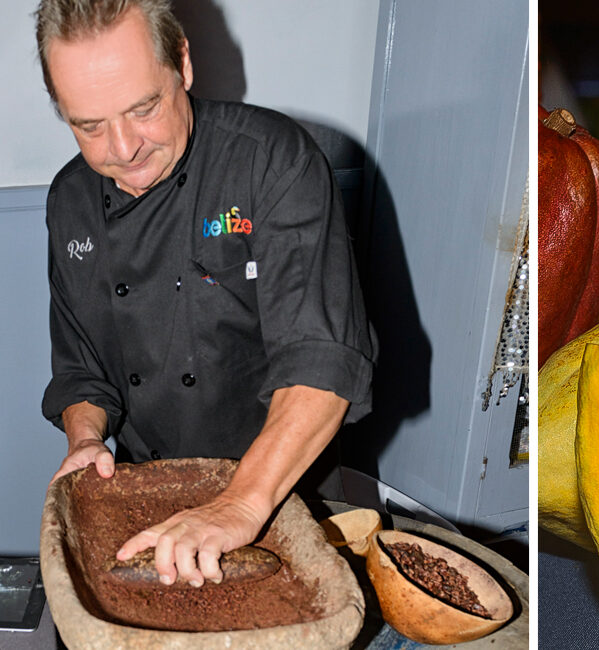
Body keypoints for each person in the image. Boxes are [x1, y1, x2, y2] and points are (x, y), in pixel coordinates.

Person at [36, 0, 376, 588]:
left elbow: (321, 364)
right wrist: (87, 439)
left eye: (144, 108)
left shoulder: (273, 161)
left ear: (183, 65)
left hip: (287, 492)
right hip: (153, 494)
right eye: (88, 125)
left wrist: (239, 505)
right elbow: (82, 372)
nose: (123, 148)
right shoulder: (70, 200)